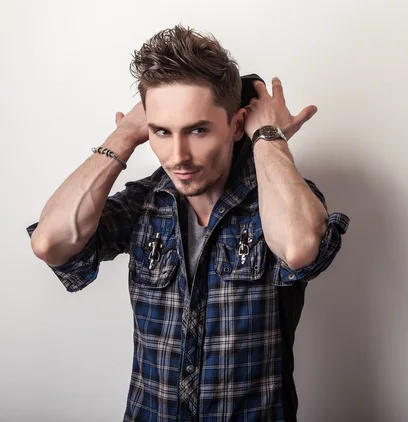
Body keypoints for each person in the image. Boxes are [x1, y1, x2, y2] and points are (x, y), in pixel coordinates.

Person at [26, 25, 349, 422]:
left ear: (235, 125)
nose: (177, 156)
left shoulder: (277, 199)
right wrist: (124, 134)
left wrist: (269, 135)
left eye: (197, 130)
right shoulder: (144, 202)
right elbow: (50, 242)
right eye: (161, 131)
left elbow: (299, 248)